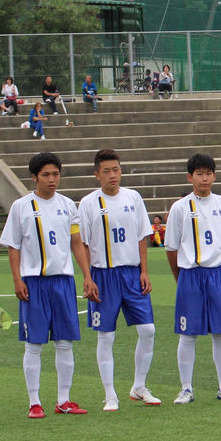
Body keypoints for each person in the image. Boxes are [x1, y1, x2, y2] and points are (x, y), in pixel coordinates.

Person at [0, 151, 98, 418]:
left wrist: (87, 275)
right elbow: (13, 246)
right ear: (34, 177)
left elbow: (76, 242)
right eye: (46, 175)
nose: (52, 179)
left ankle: (63, 400)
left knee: (65, 342)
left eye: (55, 174)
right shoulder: (21, 206)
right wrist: (17, 279)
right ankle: (34, 402)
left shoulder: (67, 205)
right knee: (34, 343)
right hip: (34, 282)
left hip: (63, 282)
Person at [78, 149, 162, 410]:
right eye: (106, 171)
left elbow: (141, 236)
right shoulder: (88, 203)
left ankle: (139, 386)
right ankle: (110, 394)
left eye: (116, 169)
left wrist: (144, 271)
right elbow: (83, 243)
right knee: (106, 335)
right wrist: (88, 277)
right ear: (97, 175)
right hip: (103, 275)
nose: (112, 175)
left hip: (131, 274)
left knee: (148, 330)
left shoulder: (133, 197)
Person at [166, 153, 221, 403]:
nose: (205, 178)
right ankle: (186, 388)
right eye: (199, 174)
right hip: (190, 274)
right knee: (187, 334)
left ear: (214, 176)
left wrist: (218, 266)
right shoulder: (180, 207)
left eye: (208, 173)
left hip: (217, 274)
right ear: (190, 177)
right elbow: (172, 248)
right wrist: (181, 278)